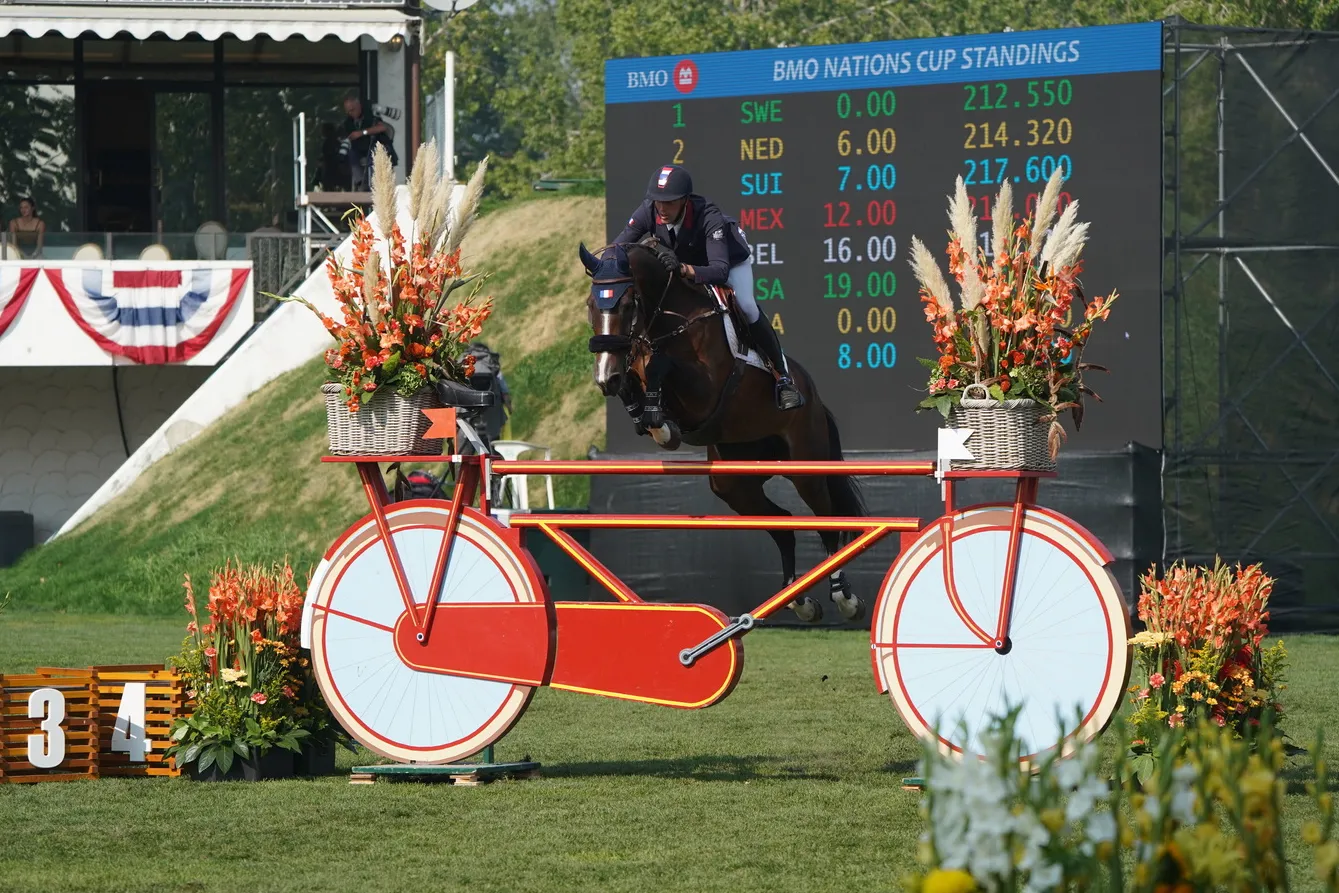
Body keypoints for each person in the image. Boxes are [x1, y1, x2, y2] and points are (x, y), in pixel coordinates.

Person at [613, 164, 803, 411]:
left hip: (728, 260)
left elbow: (719, 271)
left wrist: (683, 269)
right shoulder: (649, 210)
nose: (661, 208)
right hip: (687, 259)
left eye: (668, 202)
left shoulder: (708, 215)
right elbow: (618, 247)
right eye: (657, 201)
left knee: (746, 306)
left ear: (684, 200)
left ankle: (783, 378)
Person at [337, 92, 397, 190]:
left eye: (352, 110)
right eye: (348, 111)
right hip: (361, 148)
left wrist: (362, 132)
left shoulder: (370, 113)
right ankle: (360, 183)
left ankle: (375, 184)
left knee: (374, 153)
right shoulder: (348, 121)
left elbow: (383, 127)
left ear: (359, 105)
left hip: (377, 145)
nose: (351, 113)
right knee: (351, 153)